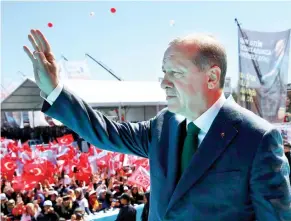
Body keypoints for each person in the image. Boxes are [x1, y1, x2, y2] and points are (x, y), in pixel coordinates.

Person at [24, 29, 291, 220]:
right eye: (163, 72)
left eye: (175, 72)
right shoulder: (164, 125)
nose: (164, 82)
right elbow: (107, 133)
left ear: (212, 77)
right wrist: (56, 90)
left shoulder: (257, 139)